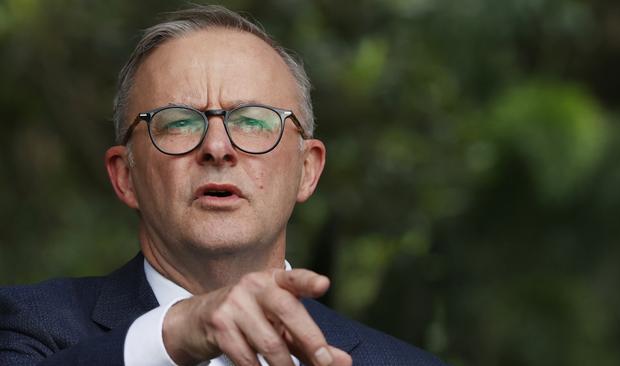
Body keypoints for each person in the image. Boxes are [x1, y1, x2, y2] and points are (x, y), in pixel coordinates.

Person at [0, 5, 446, 366]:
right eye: (177, 122)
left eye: (253, 121)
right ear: (125, 175)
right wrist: (179, 333)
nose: (217, 147)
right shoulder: (26, 327)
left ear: (308, 169)